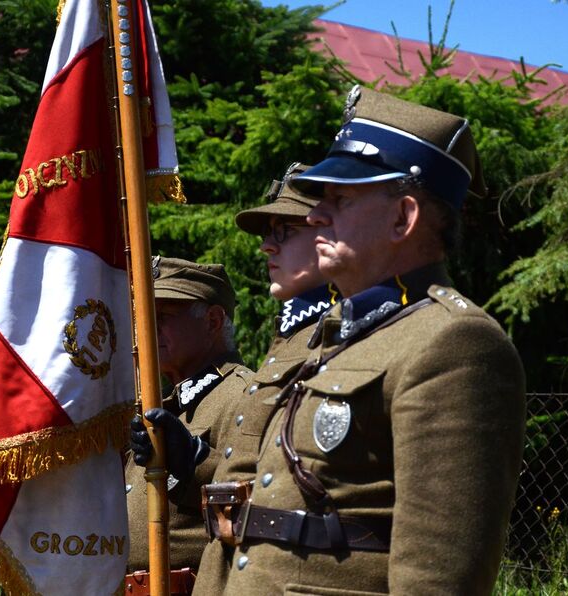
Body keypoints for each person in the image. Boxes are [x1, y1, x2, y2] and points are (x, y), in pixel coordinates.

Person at [218, 86, 527, 595]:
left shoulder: (456, 344)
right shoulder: (339, 335)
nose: (315, 215)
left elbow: (439, 579)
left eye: (340, 198)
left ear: (403, 217)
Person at [193, 163, 335, 594]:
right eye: (266, 233)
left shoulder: (335, 338)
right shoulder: (289, 338)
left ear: (330, 233)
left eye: (285, 231)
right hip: (232, 570)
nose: (267, 248)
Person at [125, 257, 252, 594]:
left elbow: (257, 506)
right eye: (143, 317)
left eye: (162, 317)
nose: (146, 329)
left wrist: (193, 461)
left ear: (212, 321)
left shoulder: (242, 397)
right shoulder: (168, 406)